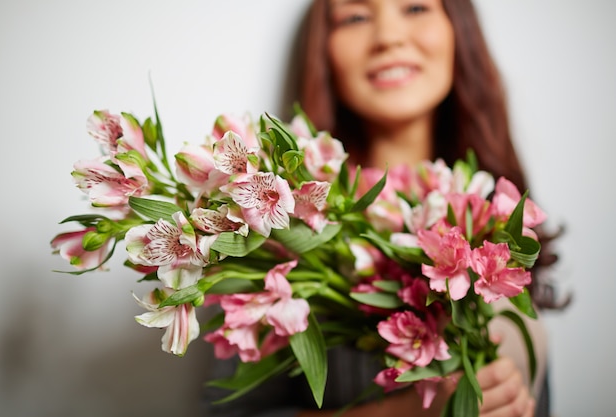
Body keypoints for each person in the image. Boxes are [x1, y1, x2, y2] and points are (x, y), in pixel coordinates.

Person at [201, 0, 566, 416]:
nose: (389, 37)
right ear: (323, 51)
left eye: (415, 8)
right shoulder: (278, 229)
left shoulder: (498, 216)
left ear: (457, 31)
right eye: (355, 17)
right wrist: (413, 411)